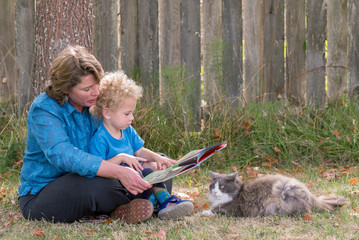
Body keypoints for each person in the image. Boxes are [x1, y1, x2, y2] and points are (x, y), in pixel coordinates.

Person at [18, 45, 166, 223]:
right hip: (45, 193)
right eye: (87, 89)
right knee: (98, 186)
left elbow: (116, 140)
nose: (96, 92)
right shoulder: (44, 109)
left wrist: (143, 162)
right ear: (65, 88)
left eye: (97, 84)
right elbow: (64, 156)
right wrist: (119, 172)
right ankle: (131, 202)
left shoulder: (96, 102)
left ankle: (123, 207)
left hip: (92, 177)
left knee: (155, 167)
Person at [89, 71, 194, 219]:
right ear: (107, 113)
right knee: (134, 170)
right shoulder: (100, 138)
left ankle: (161, 202)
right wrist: (121, 158)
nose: (132, 118)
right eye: (127, 114)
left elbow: (140, 151)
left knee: (151, 167)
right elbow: (99, 167)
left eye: (132, 113)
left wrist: (157, 158)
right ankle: (153, 203)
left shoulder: (128, 130)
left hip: (139, 179)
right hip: (120, 185)